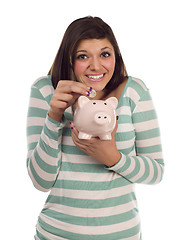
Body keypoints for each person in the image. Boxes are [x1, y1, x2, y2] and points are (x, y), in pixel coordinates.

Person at [26, 16, 164, 240]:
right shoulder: (45, 90)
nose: (96, 66)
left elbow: (156, 172)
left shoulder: (134, 91)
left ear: (115, 56)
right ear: (68, 59)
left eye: (105, 54)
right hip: (56, 234)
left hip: (122, 234)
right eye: (83, 56)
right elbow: (40, 181)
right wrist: (54, 116)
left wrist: (113, 157)